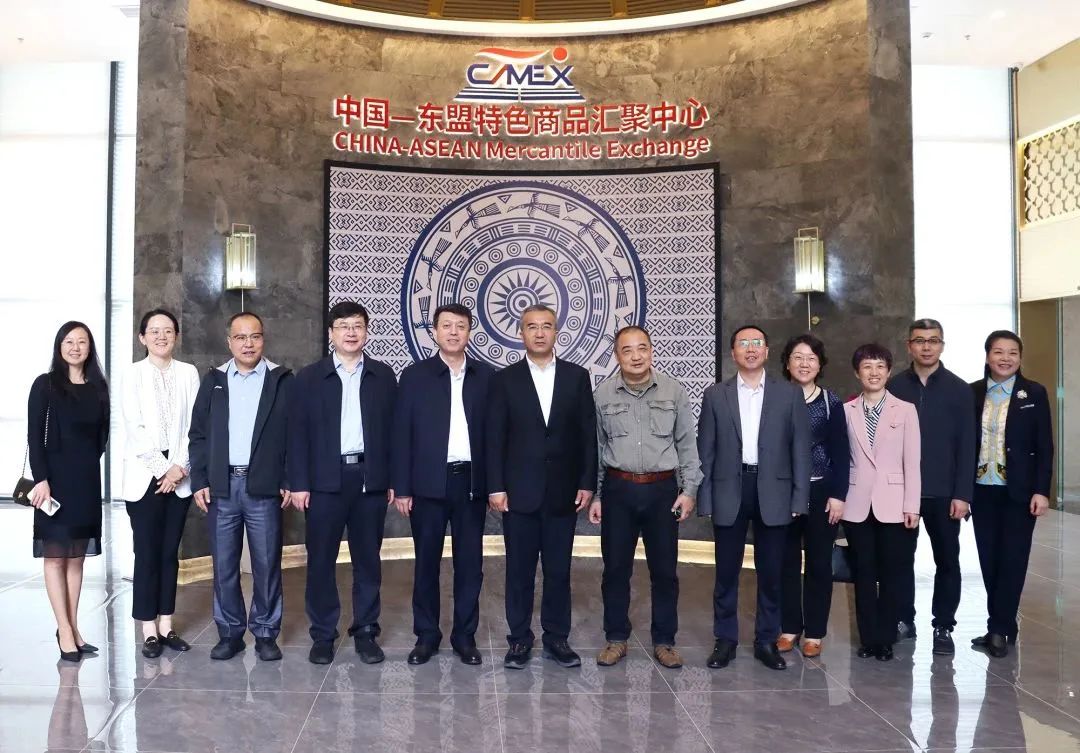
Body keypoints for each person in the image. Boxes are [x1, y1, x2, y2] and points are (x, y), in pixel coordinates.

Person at [487, 304, 597, 670]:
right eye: (531, 327)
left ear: (556, 332)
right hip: (518, 492)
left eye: (546, 326)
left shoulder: (577, 376)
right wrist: (495, 486)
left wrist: (587, 482)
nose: (539, 333)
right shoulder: (504, 379)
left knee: (558, 571)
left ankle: (557, 638)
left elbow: (587, 435)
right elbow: (495, 437)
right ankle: (519, 639)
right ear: (521, 333)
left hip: (563, 492)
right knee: (519, 572)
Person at [697, 324, 811, 671]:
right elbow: (706, 450)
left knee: (771, 572)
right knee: (726, 573)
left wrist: (799, 499)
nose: (750, 349)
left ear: (766, 351)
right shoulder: (715, 395)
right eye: (743, 343)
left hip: (774, 490)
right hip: (730, 489)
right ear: (733, 352)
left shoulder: (788, 394)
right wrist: (705, 498)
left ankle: (766, 640)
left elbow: (800, 450)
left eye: (756, 343)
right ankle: (725, 640)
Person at [289, 301, 397, 666]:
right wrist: (299, 483)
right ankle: (323, 634)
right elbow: (297, 434)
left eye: (357, 326)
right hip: (324, 482)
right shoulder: (309, 378)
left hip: (369, 480)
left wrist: (392, 478)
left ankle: (365, 631)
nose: (351, 332)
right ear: (331, 333)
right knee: (321, 561)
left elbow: (394, 433)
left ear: (367, 332)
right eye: (344, 326)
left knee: (368, 561)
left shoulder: (383, 376)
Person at [589, 325, 701, 669]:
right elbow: (596, 449)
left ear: (651, 351)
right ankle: (616, 638)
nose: (636, 356)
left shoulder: (673, 391)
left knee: (665, 571)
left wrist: (689, 490)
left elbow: (687, 444)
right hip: (618, 490)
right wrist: (597, 495)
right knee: (615, 570)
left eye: (642, 348)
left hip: (662, 491)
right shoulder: (602, 394)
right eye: (627, 350)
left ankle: (665, 641)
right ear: (617, 355)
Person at [391, 302, 494, 666]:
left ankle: (465, 636)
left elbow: (496, 437)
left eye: (460, 326)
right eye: (446, 326)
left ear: (469, 332)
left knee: (470, 565)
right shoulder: (415, 376)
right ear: (434, 332)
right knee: (426, 563)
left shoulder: (486, 376)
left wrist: (495, 485)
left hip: (471, 483)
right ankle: (427, 635)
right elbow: (401, 434)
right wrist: (402, 487)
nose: (453, 332)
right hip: (427, 485)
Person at [188, 311, 292, 662]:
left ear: (263, 339)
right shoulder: (214, 380)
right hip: (222, 486)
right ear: (229, 342)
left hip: (264, 486)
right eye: (240, 337)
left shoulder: (281, 380)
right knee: (224, 565)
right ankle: (230, 633)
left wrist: (288, 479)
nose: (248, 344)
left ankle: (265, 632)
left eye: (255, 336)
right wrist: (200, 480)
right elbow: (198, 435)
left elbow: (294, 435)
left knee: (266, 564)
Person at [887, 318, 976, 655]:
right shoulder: (894, 386)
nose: (926, 346)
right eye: (920, 340)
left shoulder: (959, 389)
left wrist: (963, 494)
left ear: (942, 345)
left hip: (944, 492)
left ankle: (943, 625)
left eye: (933, 340)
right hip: (902, 492)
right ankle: (903, 619)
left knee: (947, 561)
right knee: (899, 561)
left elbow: (967, 445)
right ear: (909, 346)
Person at [120, 309, 202, 658]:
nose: (161, 336)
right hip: (145, 476)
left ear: (176, 336)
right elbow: (134, 427)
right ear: (142, 337)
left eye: (168, 330)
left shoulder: (188, 372)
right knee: (146, 553)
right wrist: (162, 470)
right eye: (154, 331)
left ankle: (167, 625)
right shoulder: (132, 374)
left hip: (180, 476)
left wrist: (178, 468)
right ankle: (148, 629)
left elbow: (195, 424)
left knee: (170, 554)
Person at [27, 321, 110, 662]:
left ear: (90, 348)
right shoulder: (45, 385)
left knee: (76, 558)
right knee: (55, 556)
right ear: (59, 346)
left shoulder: (98, 388)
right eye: (69, 341)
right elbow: (34, 436)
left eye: (82, 342)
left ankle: (73, 629)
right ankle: (63, 629)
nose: (76, 347)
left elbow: (102, 437)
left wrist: (84, 466)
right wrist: (41, 479)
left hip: (86, 482)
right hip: (54, 483)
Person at [969, 330, 1053, 658]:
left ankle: (999, 628)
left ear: (1020, 357)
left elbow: (1044, 447)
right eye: (998, 352)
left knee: (1013, 560)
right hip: (981, 489)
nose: (1005, 358)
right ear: (987, 355)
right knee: (989, 560)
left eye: (1012, 352)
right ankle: (1002, 625)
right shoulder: (973, 392)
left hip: (1018, 491)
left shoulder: (1034, 393)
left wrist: (1041, 490)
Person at [842, 343, 921, 661]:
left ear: (888, 372)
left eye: (879, 366)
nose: (873, 372)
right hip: (857, 502)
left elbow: (912, 462)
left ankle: (886, 638)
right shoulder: (846, 411)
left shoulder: (905, 410)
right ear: (857, 372)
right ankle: (868, 638)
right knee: (863, 573)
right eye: (866, 366)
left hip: (895, 503)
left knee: (892, 574)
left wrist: (912, 505)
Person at [777, 334, 848, 658]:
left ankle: (815, 633)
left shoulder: (831, 402)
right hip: (783, 491)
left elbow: (841, 452)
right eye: (798, 357)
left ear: (820, 365)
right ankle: (789, 628)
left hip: (821, 492)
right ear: (787, 363)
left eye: (811, 358)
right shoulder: (775, 398)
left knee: (819, 563)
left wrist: (838, 495)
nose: (804, 364)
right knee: (786, 562)